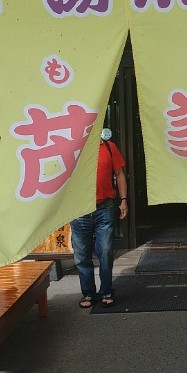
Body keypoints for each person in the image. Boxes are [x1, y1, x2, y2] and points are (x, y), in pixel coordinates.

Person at [70, 128, 128, 308]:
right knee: (81, 255)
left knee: (106, 251)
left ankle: (107, 291)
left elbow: (119, 174)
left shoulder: (109, 147)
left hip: (104, 206)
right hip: (79, 209)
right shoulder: (71, 148)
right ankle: (88, 294)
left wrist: (124, 200)